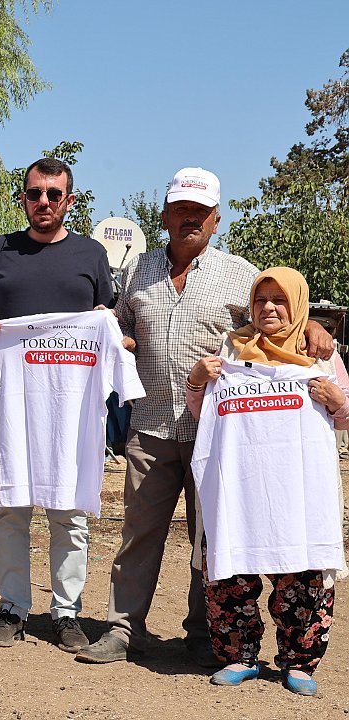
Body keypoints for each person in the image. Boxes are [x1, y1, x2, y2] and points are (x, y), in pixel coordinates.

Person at [76, 168, 334, 665]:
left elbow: (278, 312)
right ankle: (123, 629)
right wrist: (117, 336)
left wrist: (316, 325)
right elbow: (120, 328)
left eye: (199, 211)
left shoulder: (239, 274)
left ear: (216, 219)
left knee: (209, 538)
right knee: (139, 534)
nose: (188, 218)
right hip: (149, 426)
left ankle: (203, 634)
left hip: (219, 435)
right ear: (165, 214)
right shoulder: (137, 270)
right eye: (180, 209)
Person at [0, 158, 112, 652]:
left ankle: (67, 611)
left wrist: (106, 321)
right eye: (35, 194)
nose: (44, 203)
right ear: (24, 198)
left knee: (68, 509)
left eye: (54, 194)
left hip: (70, 401)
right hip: (10, 398)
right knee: (9, 505)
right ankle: (12, 607)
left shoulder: (92, 254)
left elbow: (108, 319)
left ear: (70, 200)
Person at [186, 267, 344, 696]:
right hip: (239, 483)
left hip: (298, 487)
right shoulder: (233, 350)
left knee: (304, 569)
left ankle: (299, 662)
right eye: (261, 300)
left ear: (297, 306)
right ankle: (240, 656)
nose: (269, 308)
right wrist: (198, 379)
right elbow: (203, 413)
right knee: (231, 568)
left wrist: (338, 401)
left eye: (280, 301)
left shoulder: (322, 358)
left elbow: (344, 416)